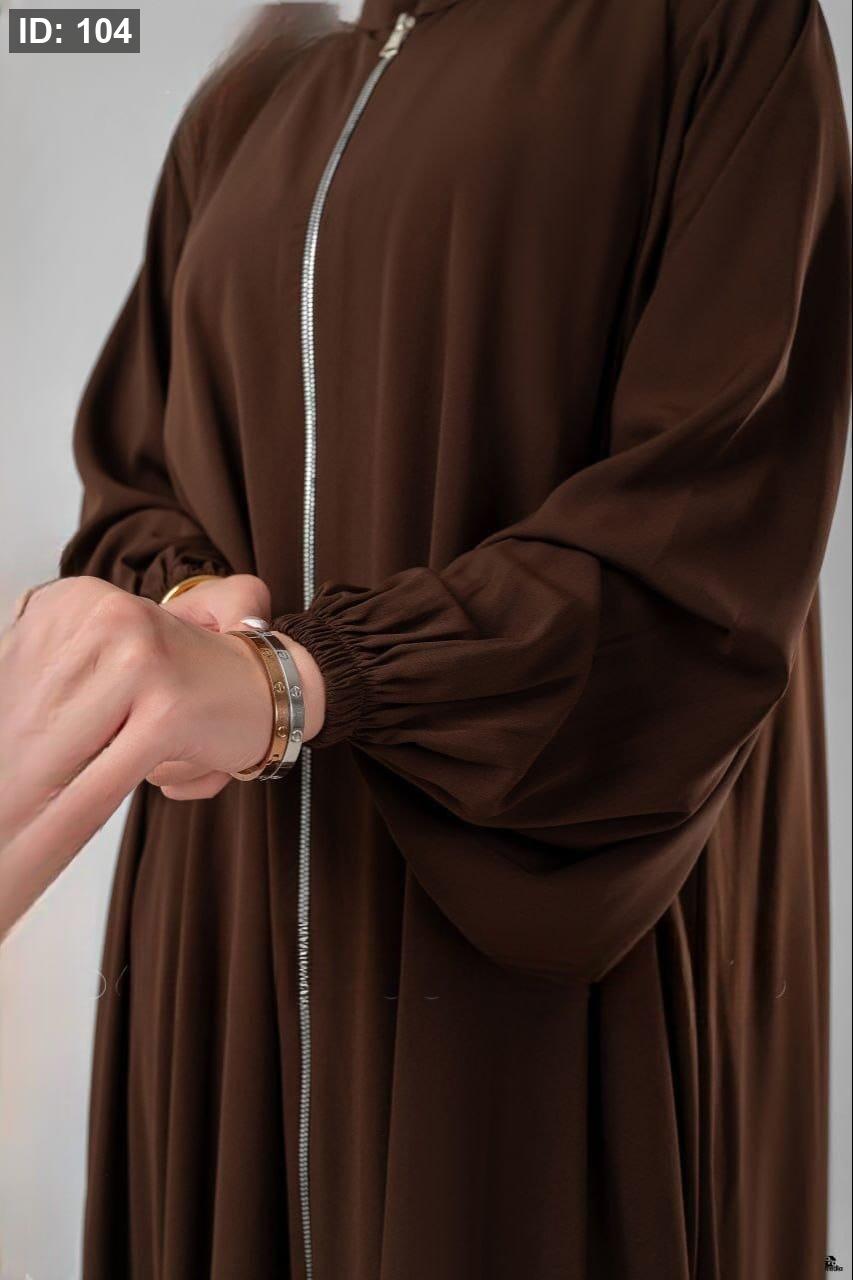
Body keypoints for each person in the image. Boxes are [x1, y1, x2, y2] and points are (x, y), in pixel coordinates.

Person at [1, 0, 850, 1275]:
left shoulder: (709, 29)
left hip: (533, 905)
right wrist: (183, 608)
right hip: (221, 911)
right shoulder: (245, 105)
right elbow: (132, 479)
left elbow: (707, 530)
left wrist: (298, 679)